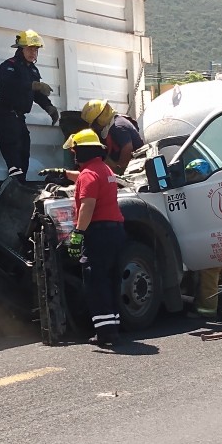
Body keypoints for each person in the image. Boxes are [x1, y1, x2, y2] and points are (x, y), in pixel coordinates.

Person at [62, 129, 126, 346]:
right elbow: (86, 178)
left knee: (96, 281)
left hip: (99, 233)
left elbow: (87, 207)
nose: (73, 155)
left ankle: (105, 334)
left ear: (83, 151)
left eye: (75, 151)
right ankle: (113, 327)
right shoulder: (103, 169)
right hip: (116, 231)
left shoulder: (89, 174)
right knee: (111, 279)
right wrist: (63, 173)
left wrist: (78, 234)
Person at [181, 159, 222, 318]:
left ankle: (206, 309)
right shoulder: (218, 185)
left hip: (213, 240)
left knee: (209, 272)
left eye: (192, 174)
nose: (189, 178)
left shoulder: (200, 190)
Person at [0, 29, 59, 182]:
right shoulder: (9, 66)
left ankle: (20, 182)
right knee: (13, 148)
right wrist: (33, 85)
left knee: (24, 149)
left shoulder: (33, 70)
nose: (33, 53)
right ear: (20, 49)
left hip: (18, 117)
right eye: (29, 49)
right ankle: (16, 182)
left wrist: (49, 108)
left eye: (36, 50)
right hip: (6, 114)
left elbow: (37, 94)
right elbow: (8, 85)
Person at [81, 99, 143, 174]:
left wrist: (119, 173)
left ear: (100, 119)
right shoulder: (112, 125)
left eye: (94, 124)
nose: (95, 128)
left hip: (136, 168)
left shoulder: (118, 127)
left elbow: (127, 149)